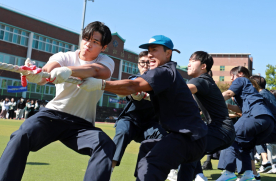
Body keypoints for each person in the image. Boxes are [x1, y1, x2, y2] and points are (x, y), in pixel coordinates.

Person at [0, 21, 116, 181]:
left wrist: (69, 71)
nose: (88, 45)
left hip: (81, 126)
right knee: (21, 136)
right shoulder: (65, 56)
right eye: (86, 39)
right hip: (52, 116)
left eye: (95, 42)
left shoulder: (106, 61)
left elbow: (98, 71)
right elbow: (47, 71)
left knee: (106, 145)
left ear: (103, 47)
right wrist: (36, 74)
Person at [79, 35, 208, 181]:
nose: (150, 54)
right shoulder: (167, 73)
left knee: (151, 163)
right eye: (148, 51)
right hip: (192, 137)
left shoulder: (164, 71)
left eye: (155, 50)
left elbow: (131, 85)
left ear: (168, 53)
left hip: (188, 137)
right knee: (147, 147)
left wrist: (100, 84)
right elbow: (134, 86)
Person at [171, 51, 235, 181]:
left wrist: (153, 88)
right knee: (190, 152)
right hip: (220, 130)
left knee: (189, 150)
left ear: (203, 66)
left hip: (221, 130)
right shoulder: (205, 82)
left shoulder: (201, 80)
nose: (188, 64)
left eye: (192, 61)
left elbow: (182, 90)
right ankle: (198, 175)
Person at [216, 66, 276, 181]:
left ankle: (228, 172)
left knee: (230, 137)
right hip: (267, 122)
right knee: (245, 145)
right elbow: (242, 109)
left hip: (255, 116)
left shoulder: (241, 80)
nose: (232, 80)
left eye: (232, 76)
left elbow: (228, 93)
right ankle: (248, 173)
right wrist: (228, 106)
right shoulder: (250, 90)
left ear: (240, 74)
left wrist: (212, 99)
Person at [111, 51, 167, 171]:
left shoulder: (159, 83)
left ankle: (156, 171)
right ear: (138, 64)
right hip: (130, 120)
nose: (145, 66)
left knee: (163, 136)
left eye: (149, 63)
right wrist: (133, 94)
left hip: (150, 124)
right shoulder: (134, 80)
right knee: (122, 133)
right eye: (142, 62)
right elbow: (127, 89)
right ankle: (107, 169)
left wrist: (149, 96)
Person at [250, 75, 276, 174]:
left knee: (251, 138)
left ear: (254, 84)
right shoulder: (268, 94)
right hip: (272, 126)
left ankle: (264, 162)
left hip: (271, 128)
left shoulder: (261, 95)